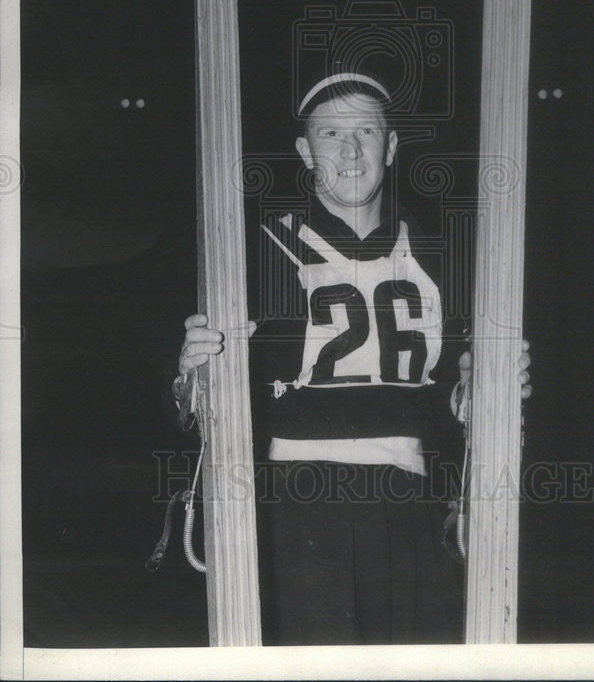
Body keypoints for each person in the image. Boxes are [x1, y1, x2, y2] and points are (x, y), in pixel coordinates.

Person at [176, 71, 531, 644]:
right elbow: (199, 400)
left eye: (366, 130)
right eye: (330, 133)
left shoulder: (440, 250)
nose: (350, 150)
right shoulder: (252, 249)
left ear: (391, 146)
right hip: (296, 506)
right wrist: (193, 371)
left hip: (407, 502)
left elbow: (455, 395)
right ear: (304, 150)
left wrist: (485, 387)